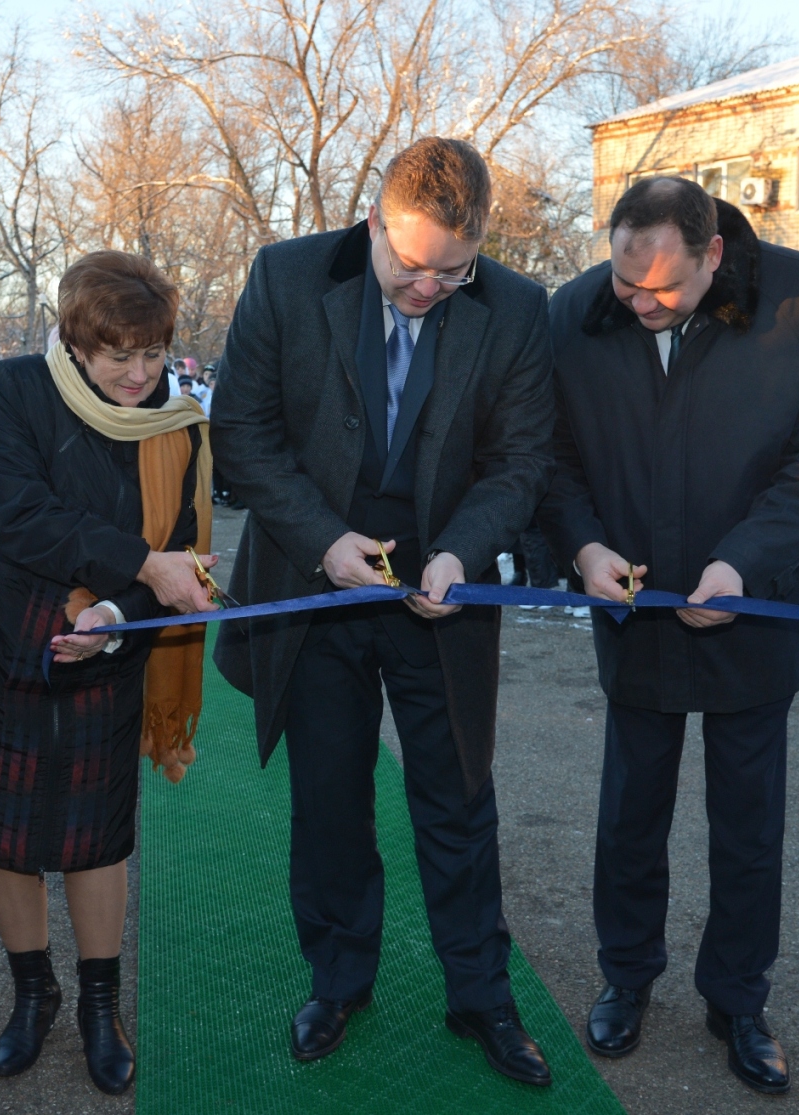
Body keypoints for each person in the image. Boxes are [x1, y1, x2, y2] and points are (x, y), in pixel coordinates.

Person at [211, 137, 556, 1085]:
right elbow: (239, 431)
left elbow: (520, 460)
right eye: (409, 262)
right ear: (374, 222)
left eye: (453, 268)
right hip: (314, 579)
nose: (427, 286)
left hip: (438, 588)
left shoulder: (518, 308)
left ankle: (480, 994)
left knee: (456, 798)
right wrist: (324, 540)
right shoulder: (285, 277)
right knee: (328, 797)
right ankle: (338, 979)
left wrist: (458, 551)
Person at [538, 176, 799, 1095]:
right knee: (629, 815)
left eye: (663, 288)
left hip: (754, 611)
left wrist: (742, 561)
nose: (640, 303)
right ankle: (626, 975)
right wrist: (583, 544)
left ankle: (737, 995)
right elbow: (549, 456)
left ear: (712, 253)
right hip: (634, 610)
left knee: (748, 823)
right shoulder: (574, 313)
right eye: (623, 281)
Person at [0, 251, 214, 1096]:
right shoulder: (17, 387)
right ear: (75, 341)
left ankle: (101, 1004)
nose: (137, 373)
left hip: (105, 641)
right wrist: (138, 561)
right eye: (117, 354)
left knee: (96, 836)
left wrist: (118, 612)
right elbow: (15, 513)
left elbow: (180, 554)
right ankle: (34, 992)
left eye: (153, 353)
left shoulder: (181, 425)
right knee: (5, 831)